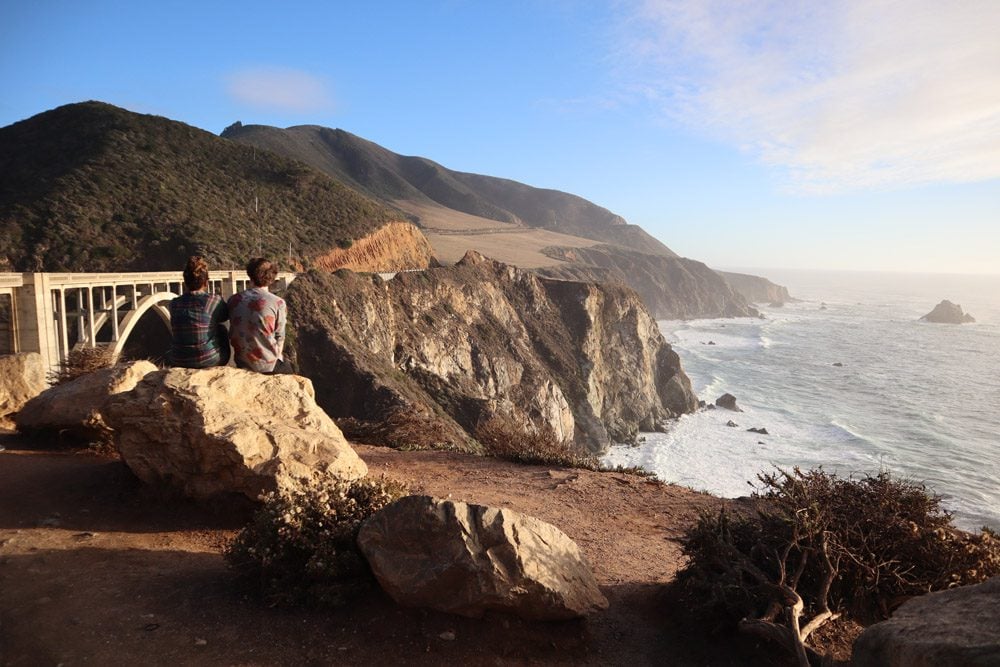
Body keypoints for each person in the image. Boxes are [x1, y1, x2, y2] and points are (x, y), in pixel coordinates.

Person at [228, 257, 290, 374]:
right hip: (267, 366)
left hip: (242, 362)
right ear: (272, 278)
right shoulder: (278, 303)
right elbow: (280, 337)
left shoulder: (233, 300)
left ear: (250, 275)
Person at [168, 256, 230, 368]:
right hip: (209, 360)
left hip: (177, 360)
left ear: (185, 283)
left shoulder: (174, 304)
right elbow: (225, 316)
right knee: (221, 328)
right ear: (206, 283)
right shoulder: (213, 301)